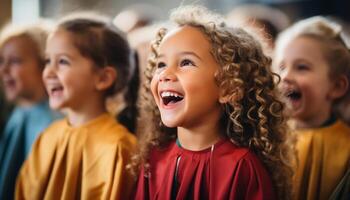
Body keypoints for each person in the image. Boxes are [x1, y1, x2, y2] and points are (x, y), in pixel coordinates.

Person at [133, 5, 294, 200]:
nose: (165, 74)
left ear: (229, 88)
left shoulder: (242, 167)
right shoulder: (154, 159)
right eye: (161, 64)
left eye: (186, 62)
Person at [15, 13, 137, 199]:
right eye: (48, 60)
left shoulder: (118, 148)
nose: (48, 72)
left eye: (63, 61)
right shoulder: (46, 138)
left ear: (103, 78)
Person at [273, 16, 350, 200]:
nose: (286, 76)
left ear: (336, 86)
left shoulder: (346, 149)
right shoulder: (269, 141)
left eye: (301, 67)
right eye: (282, 67)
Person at [0, 21, 59, 200]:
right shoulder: (21, 113)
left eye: (16, 61)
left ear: (45, 65)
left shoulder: (54, 123)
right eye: (1, 61)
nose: (4, 70)